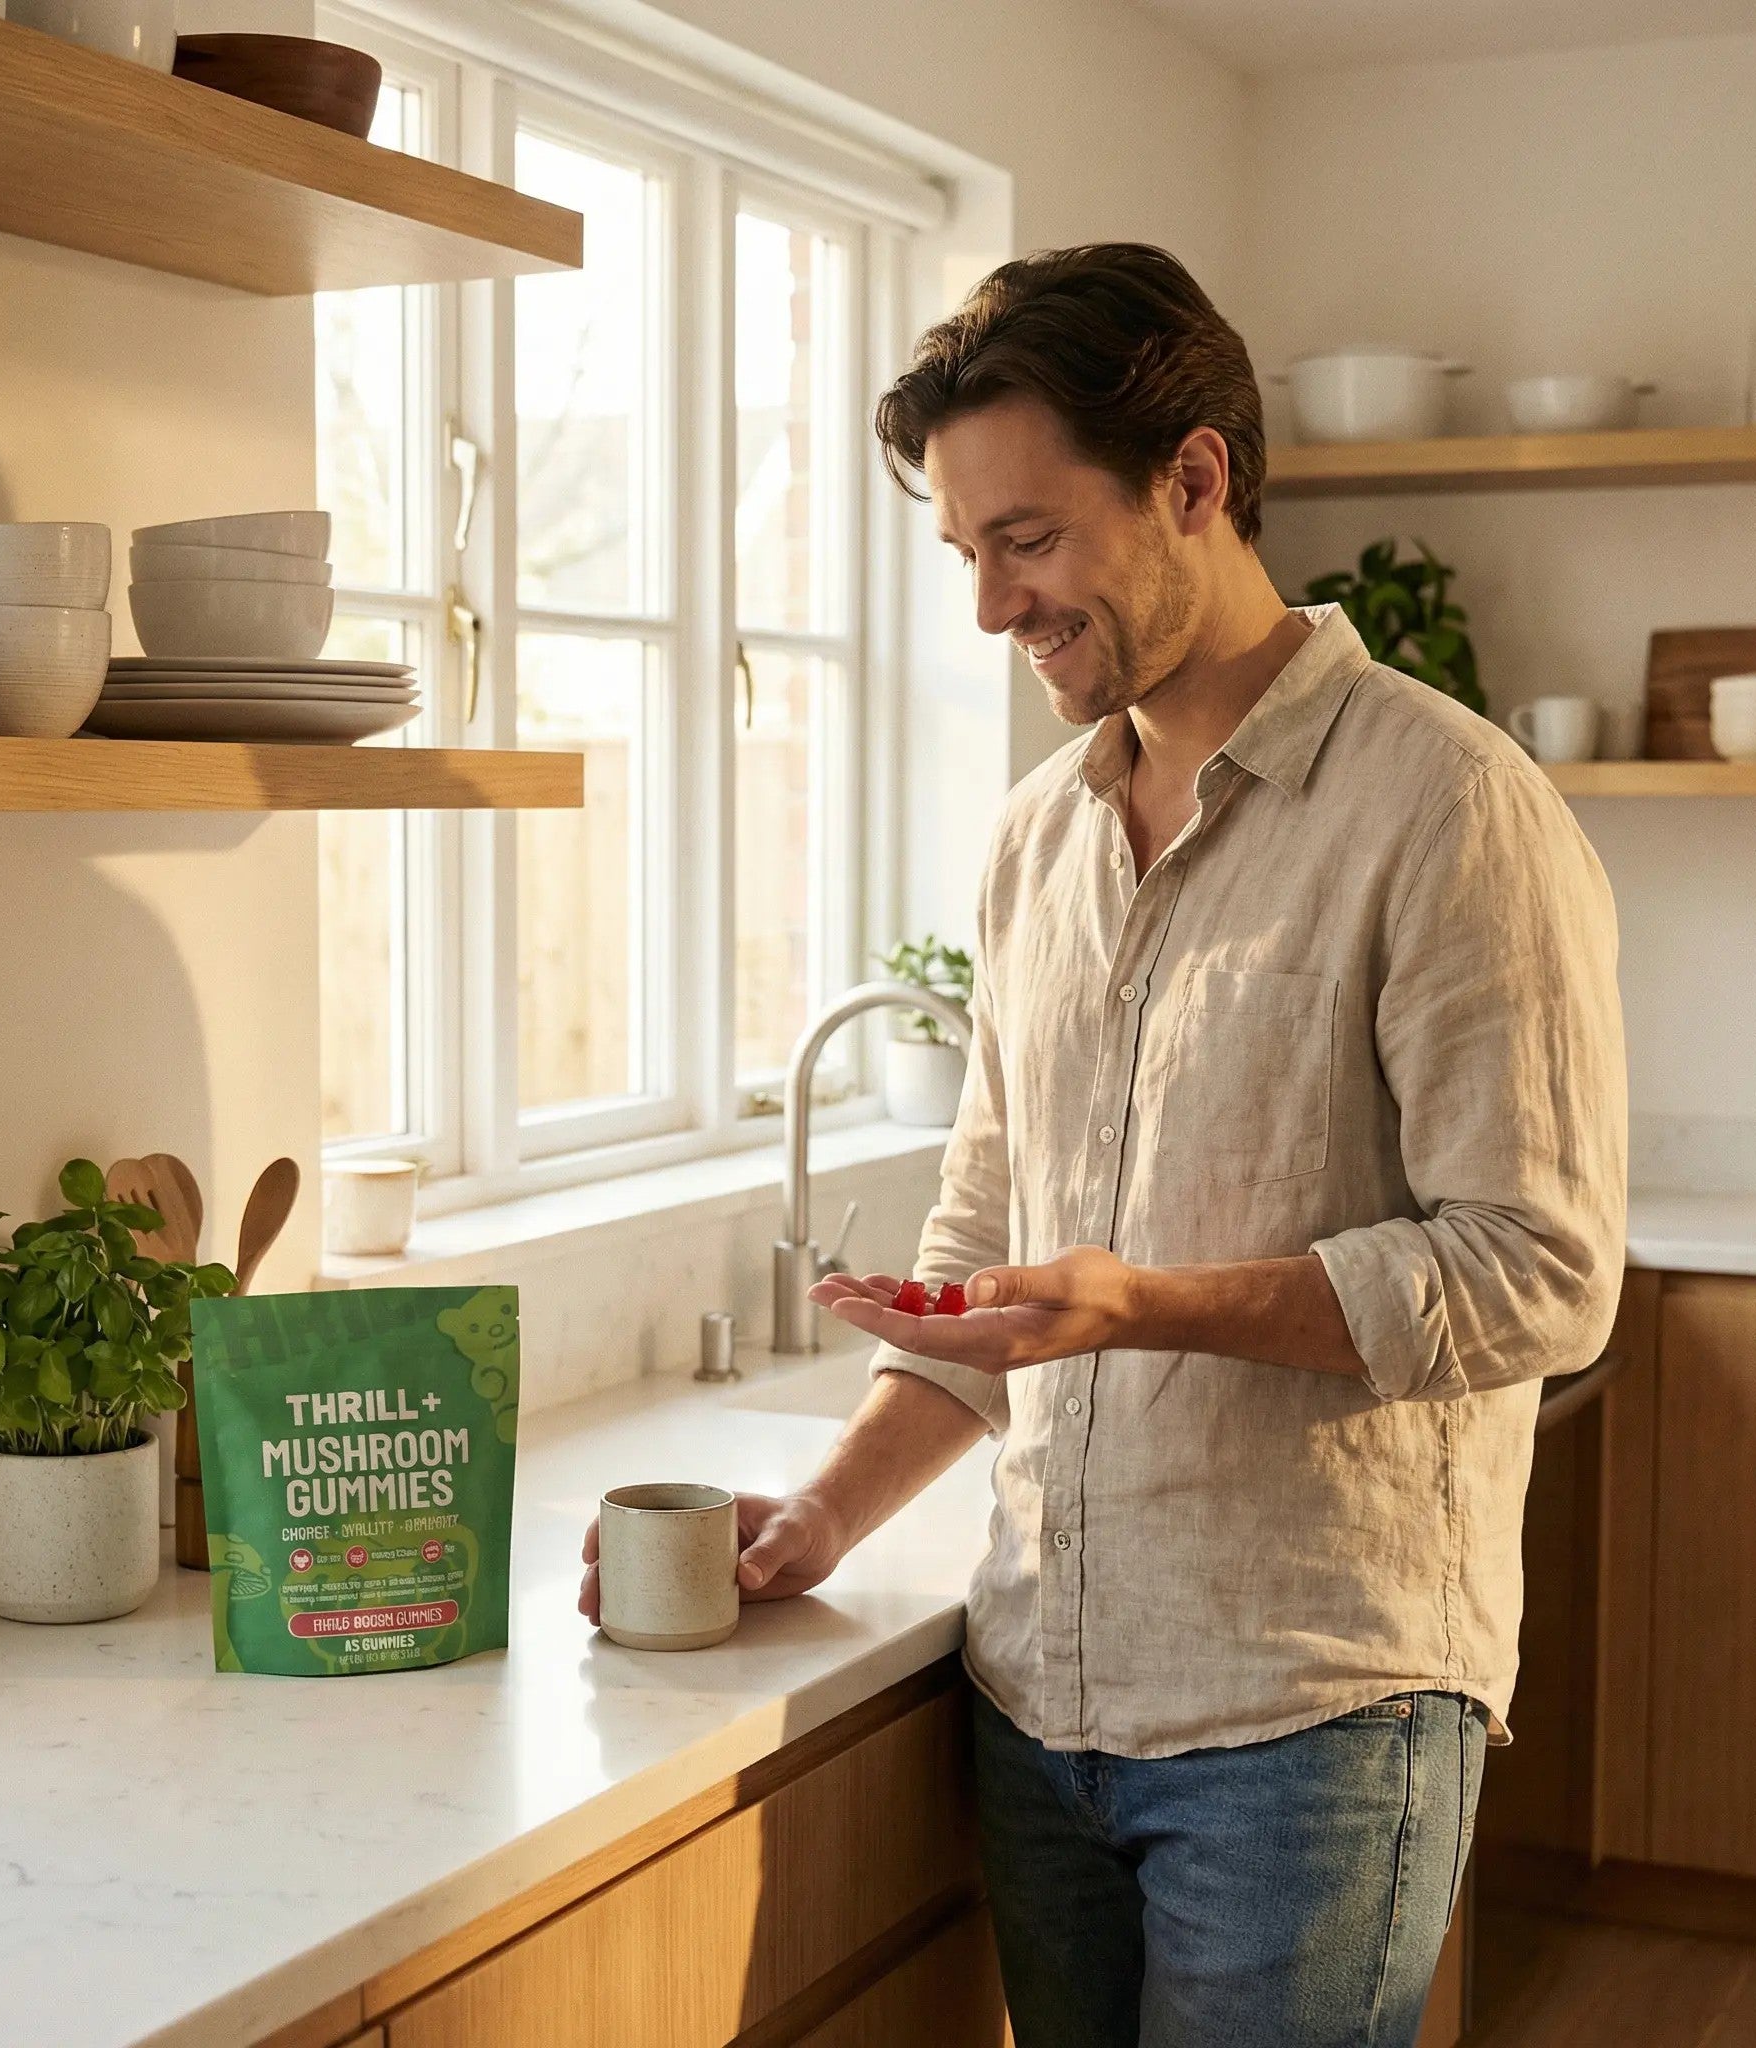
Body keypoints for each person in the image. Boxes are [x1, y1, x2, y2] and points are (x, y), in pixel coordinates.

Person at [580, 243, 1627, 2048]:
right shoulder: (1035, 845)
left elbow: (1542, 1274)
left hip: (1314, 1718)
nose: (992, 606)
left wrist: (1143, 1302)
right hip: (1037, 1701)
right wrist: (820, 1518)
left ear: (1196, 482)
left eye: (1030, 540)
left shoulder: (1450, 811)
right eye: (965, 553)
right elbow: (994, 1241)